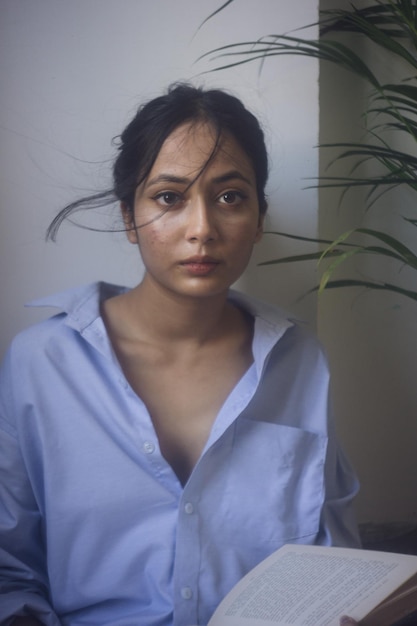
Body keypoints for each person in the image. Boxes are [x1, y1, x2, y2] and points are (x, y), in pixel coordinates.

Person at [0, 83, 360, 626]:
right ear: (129, 217)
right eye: (169, 197)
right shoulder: (42, 363)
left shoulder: (300, 360)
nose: (202, 230)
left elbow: (331, 558)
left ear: (259, 217)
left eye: (230, 197)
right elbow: (9, 575)